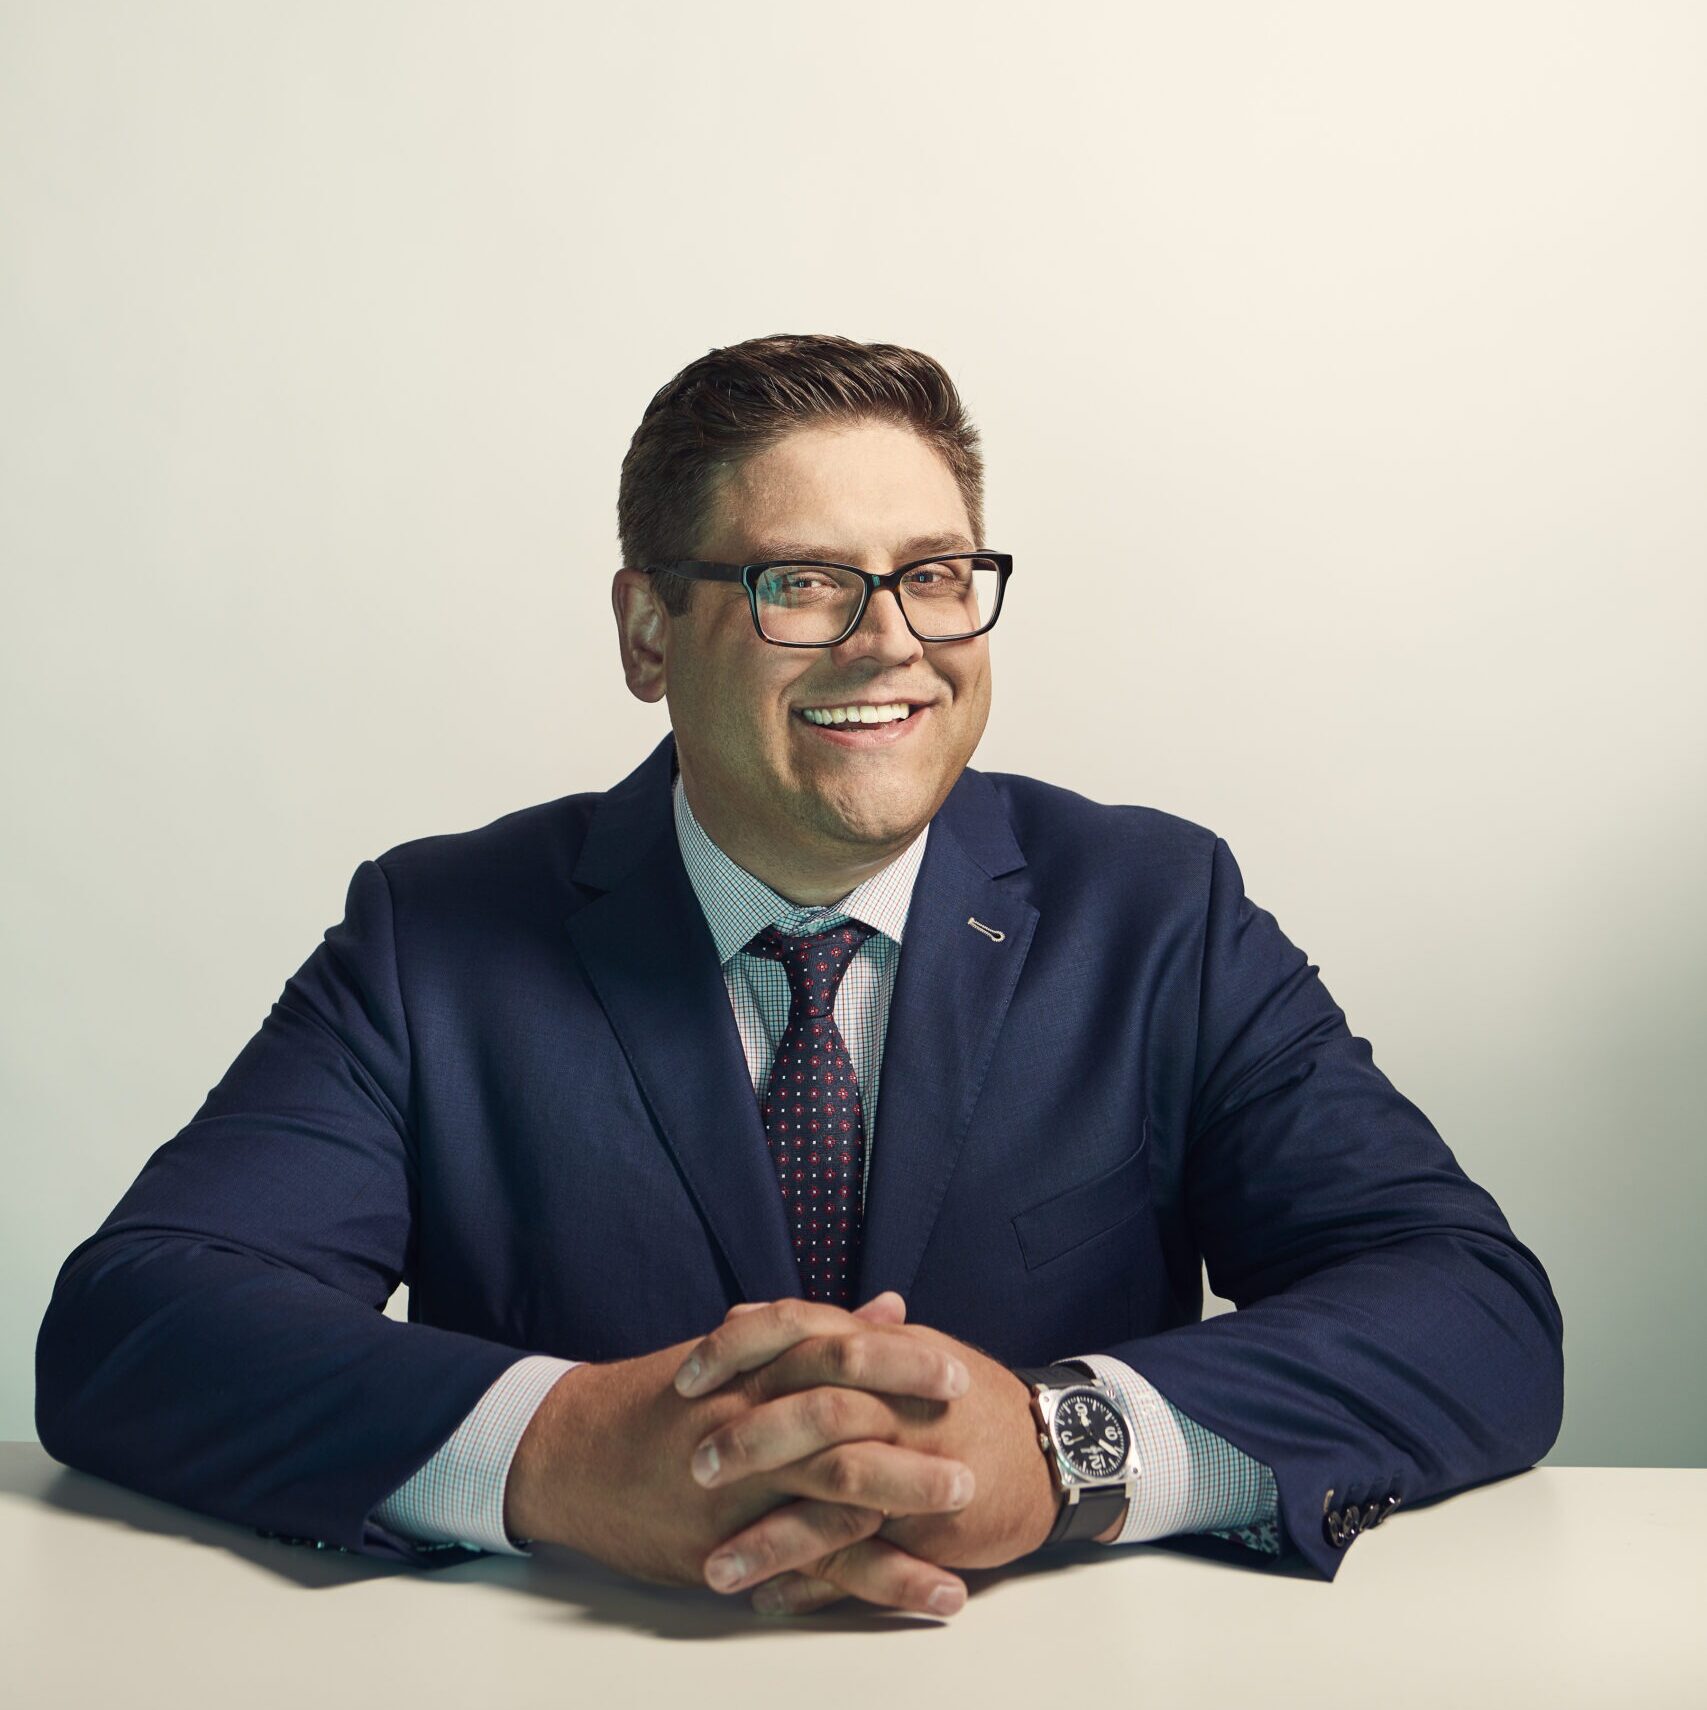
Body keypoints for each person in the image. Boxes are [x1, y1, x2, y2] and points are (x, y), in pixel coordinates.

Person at [35, 334, 1564, 1620]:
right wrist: (563, 1450)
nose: (890, 641)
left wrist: (1064, 1445)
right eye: (803, 583)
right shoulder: (433, 938)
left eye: (936, 573)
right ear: (648, 626)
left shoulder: (1159, 912)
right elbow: (135, 1321)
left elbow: (1472, 1308)